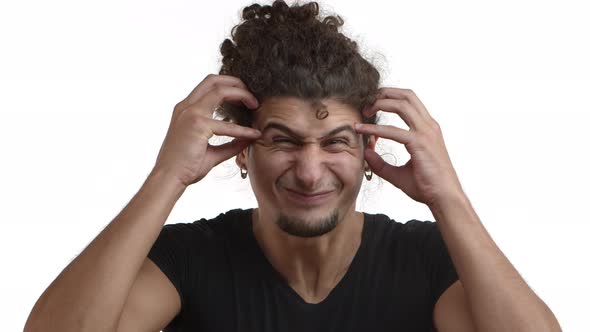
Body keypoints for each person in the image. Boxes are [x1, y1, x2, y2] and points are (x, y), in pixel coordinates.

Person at [24, 1, 561, 331]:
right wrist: (167, 177)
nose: (309, 171)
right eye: (284, 141)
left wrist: (450, 198)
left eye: (336, 143)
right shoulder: (187, 260)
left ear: (368, 153)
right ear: (241, 149)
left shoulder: (426, 260)